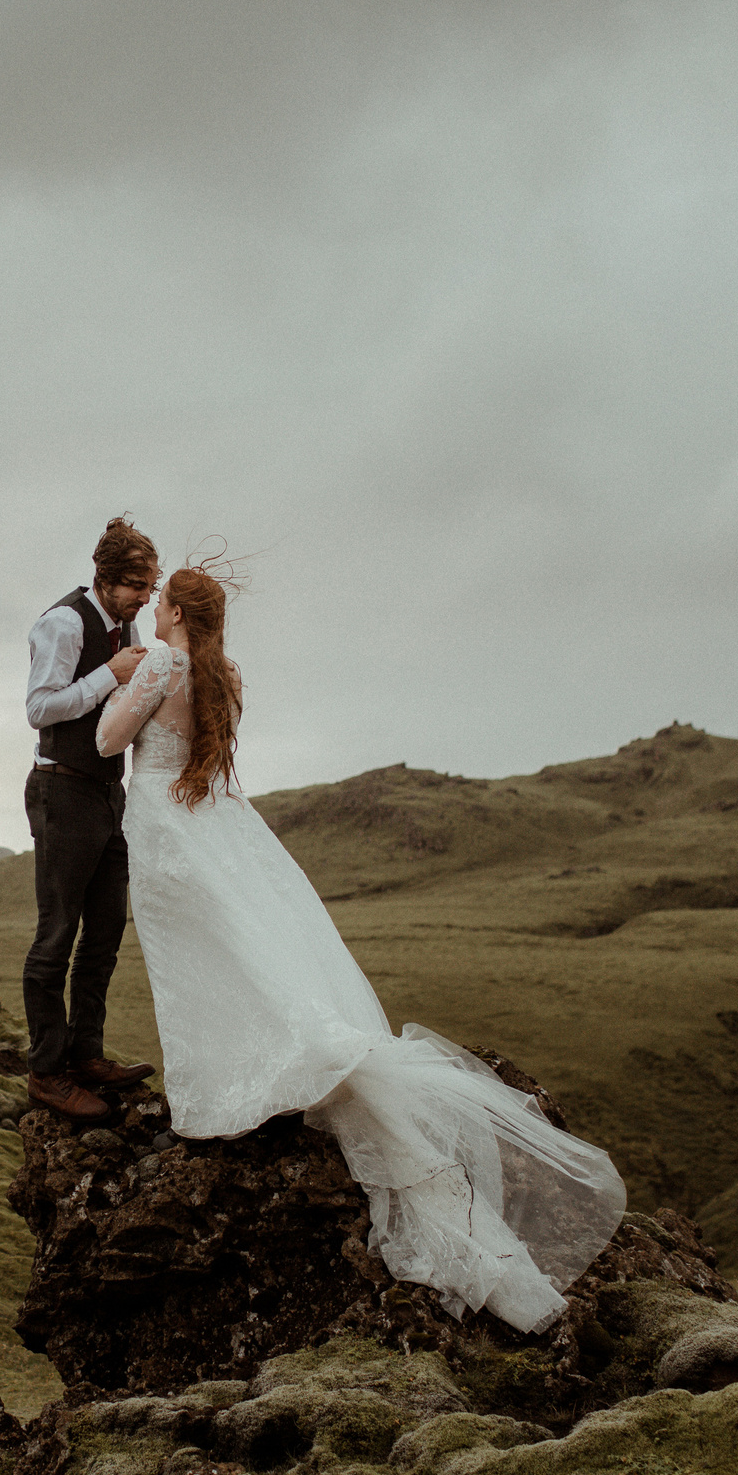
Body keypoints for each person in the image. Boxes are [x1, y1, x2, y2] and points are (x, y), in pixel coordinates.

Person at [93, 560, 627, 1333]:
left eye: (162, 603)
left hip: (168, 827)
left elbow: (113, 738)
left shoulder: (163, 664)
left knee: (198, 962)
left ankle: (219, 1088)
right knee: (243, 954)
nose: (154, 612)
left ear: (173, 613)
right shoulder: (225, 674)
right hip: (210, 821)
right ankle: (247, 1069)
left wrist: (118, 677)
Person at [20, 516, 164, 1120]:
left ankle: (87, 1054)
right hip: (61, 790)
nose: (144, 599)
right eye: (136, 585)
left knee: (104, 932)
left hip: (108, 794)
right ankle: (47, 1072)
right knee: (57, 937)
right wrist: (112, 675)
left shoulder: (122, 622)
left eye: (151, 588)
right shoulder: (62, 622)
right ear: (105, 577)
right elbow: (39, 708)